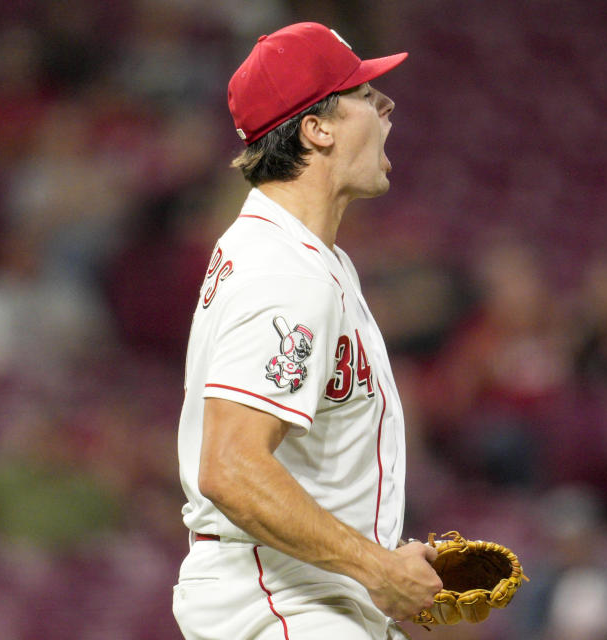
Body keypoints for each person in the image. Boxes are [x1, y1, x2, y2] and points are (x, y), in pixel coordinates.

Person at [171, 22, 442, 640]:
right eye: (366, 97)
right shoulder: (284, 272)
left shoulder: (302, 257)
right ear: (317, 129)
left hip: (302, 597)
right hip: (278, 599)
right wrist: (377, 566)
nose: (387, 106)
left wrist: (385, 556)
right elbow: (230, 465)